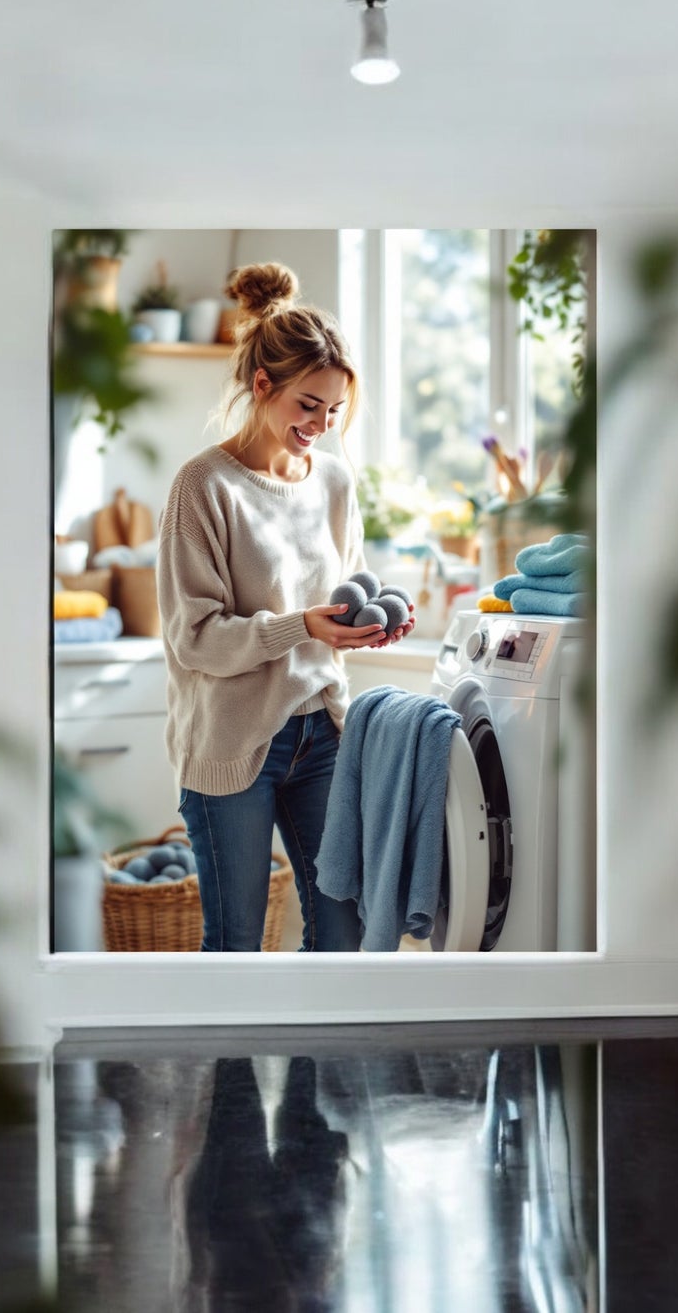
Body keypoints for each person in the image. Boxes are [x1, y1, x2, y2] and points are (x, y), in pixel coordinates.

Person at [157, 261, 413, 952]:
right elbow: (195, 639)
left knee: (341, 930)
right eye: (308, 405)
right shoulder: (203, 487)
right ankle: (235, 1068)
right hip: (233, 738)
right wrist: (300, 625)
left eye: (333, 411)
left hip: (320, 732)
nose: (321, 425)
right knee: (237, 942)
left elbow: (346, 581)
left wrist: (368, 621)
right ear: (262, 385)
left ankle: (311, 1067)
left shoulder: (332, 479)